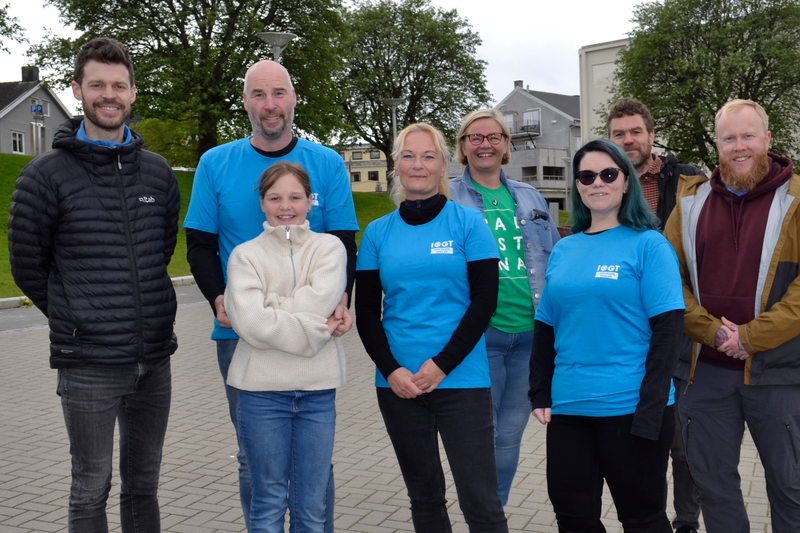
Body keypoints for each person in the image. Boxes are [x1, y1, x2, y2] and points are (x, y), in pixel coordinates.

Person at [8, 37, 180, 532]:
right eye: (97, 84)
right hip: (88, 365)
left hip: (154, 360)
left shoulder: (159, 173)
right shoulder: (45, 176)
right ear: (78, 90)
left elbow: (159, 249)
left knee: (143, 484)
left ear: (132, 92)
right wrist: (75, 316)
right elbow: (28, 266)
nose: (110, 94)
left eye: (119, 85)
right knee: (90, 485)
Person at [183, 60, 358, 531]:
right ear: (246, 101)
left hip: (315, 332)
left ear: (294, 97)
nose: (270, 105)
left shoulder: (327, 164)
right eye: (259, 95)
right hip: (239, 333)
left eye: (278, 93)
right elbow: (199, 243)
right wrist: (221, 300)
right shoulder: (216, 162)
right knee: (252, 458)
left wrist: (340, 300)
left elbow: (343, 241)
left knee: (313, 465)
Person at [355, 123, 508, 533]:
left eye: (427, 156)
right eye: (408, 156)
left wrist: (442, 365)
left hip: (462, 380)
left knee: (481, 500)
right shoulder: (376, 233)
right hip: (399, 385)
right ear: (396, 165)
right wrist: (391, 370)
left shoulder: (469, 224)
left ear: (443, 164)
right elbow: (367, 312)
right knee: (423, 498)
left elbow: (484, 303)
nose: (417, 165)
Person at [529, 139, 685, 531]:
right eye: (587, 175)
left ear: (626, 181)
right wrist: (540, 391)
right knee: (573, 518)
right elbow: (546, 325)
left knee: (642, 519)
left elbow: (668, 331)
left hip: (631, 408)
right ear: (577, 186)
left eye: (608, 174)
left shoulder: (649, 245)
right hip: (570, 408)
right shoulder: (565, 249)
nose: (597, 182)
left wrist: (651, 410)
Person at [664, 99, 800, 533]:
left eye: (747, 136)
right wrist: (713, 332)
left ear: (767, 139)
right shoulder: (690, 202)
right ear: (717, 144)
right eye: (729, 138)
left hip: (779, 372)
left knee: (791, 487)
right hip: (705, 372)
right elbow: (667, 280)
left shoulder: (797, 199)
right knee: (714, 487)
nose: (739, 147)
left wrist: (751, 336)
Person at [224, 162, 347, 532]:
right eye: (274, 198)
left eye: (296, 197)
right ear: (261, 203)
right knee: (267, 506)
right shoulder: (244, 255)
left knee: (311, 509)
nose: (285, 206)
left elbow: (316, 303)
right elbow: (248, 322)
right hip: (260, 396)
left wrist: (270, 307)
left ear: (311, 201)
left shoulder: (330, 248)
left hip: (317, 395)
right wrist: (313, 326)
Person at [448, 108, 560, 506]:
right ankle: (483, 515)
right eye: (475, 138)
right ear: (462, 147)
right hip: (481, 336)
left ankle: (493, 514)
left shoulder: (530, 197)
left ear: (506, 146)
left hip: (529, 336)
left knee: (510, 437)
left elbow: (553, 260)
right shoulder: (450, 196)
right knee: (483, 435)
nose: (485, 145)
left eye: (494, 137)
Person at [607, 97, 704, 533]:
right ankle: (650, 519)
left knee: (684, 443)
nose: (628, 140)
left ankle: (685, 522)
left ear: (650, 133)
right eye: (618, 134)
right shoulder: (604, 181)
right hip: (626, 331)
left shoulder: (690, 183)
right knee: (643, 438)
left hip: (680, 329)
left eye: (635, 132)